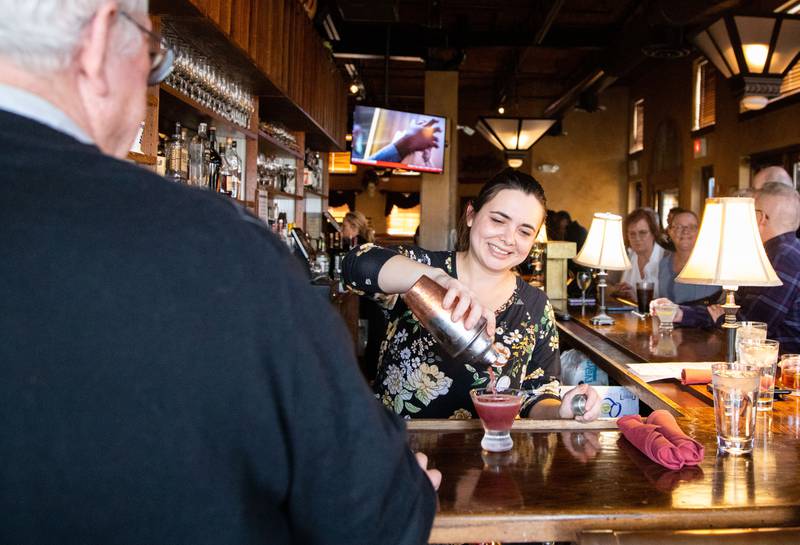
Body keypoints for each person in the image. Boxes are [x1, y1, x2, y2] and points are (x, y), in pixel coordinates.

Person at [0, 2, 438, 543]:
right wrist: (407, 489)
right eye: (151, 56)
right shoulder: (218, 251)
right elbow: (376, 517)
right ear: (98, 41)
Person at [343, 168, 602, 421]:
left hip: (488, 454)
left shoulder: (535, 304)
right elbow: (355, 265)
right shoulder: (422, 268)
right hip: (400, 448)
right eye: (498, 220)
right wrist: (436, 278)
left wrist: (561, 410)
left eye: (524, 231)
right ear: (471, 215)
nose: (508, 238)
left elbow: (537, 394)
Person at [652, 182, 800, 353]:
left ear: (761, 218)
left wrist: (722, 315)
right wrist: (681, 313)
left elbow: (753, 328)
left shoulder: (783, 257)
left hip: (781, 370)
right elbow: (733, 312)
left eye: (752, 212)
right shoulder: (778, 252)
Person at [657, 209, 720, 304]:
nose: (685, 231)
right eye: (678, 227)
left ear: (700, 231)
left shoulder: (713, 264)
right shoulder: (664, 264)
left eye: (691, 227)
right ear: (670, 232)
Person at [611, 208, 666, 300]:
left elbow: (671, 304)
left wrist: (637, 298)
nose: (637, 238)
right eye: (632, 234)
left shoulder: (666, 259)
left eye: (643, 233)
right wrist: (617, 290)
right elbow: (606, 285)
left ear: (653, 233)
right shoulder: (626, 256)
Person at [369, 118, 441, 164]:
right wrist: (404, 143)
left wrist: (427, 160)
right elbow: (369, 164)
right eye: (421, 124)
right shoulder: (400, 137)